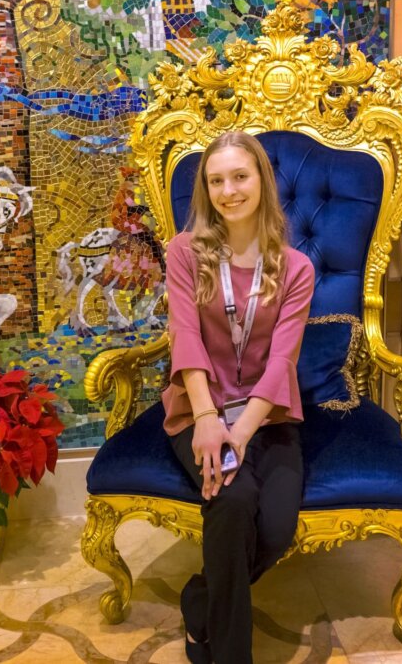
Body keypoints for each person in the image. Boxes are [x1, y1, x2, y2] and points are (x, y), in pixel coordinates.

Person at [160, 131, 315, 663]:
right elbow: (186, 335)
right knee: (230, 500)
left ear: (262, 182)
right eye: (216, 180)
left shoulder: (295, 267)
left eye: (240, 176)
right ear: (206, 189)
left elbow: (282, 363)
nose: (229, 190)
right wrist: (207, 419)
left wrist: (240, 432)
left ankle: (200, 600)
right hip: (198, 411)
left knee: (275, 527)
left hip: (267, 418)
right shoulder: (184, 253)